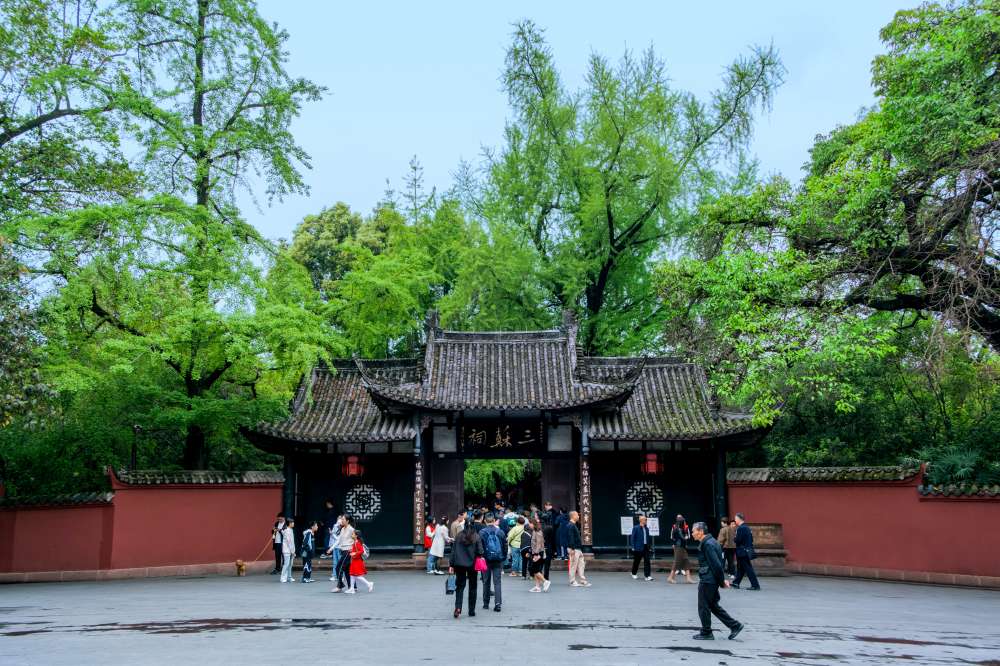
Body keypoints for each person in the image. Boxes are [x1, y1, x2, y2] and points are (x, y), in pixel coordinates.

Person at [691, 522, 744, 641]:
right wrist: (721, 580)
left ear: (700, 531)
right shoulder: (712, 542)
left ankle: (706, 632)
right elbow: (719, 564)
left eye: (693, 531)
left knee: (703, 606)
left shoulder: (708, 544)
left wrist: (722, 582)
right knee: (713, 606)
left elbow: (716, 565)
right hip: (712, 579)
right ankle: (735, 625)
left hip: (708, 580)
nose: (692, 533)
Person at [448, 521, 484, 619]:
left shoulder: (459, 536)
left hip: (459, 565)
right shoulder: (476, 536)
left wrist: (451, 564)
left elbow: (453, 551)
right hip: (472, 565)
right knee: (473, 587)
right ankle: (471, 610)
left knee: (460, 587)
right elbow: (480, 551)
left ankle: (458, 608)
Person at [480, 514, 507, 612]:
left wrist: (481, 557)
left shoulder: (482, 532)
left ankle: (486, 603)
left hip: (486, 560)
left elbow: (480, 547)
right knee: (497, 582)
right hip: (498, 560)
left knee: (486, 582)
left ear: (485, 521)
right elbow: (505, 546)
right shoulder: (500, 532)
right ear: (494, 520)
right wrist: (503, 557)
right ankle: (498, 604)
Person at [732, 513, 761, 591]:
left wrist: (734, 538)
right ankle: (736, 583)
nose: (734, 520)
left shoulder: (741, 528)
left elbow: (738, 540)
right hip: (746, 550)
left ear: (739, 519)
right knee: (741, 568)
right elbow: (751, 539)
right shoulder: (747, 528)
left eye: (735, 519)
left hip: (742, 551)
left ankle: (755, 585)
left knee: (748, 569)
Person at [668, 515, 695, 584]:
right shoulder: (679, 529)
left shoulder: (678, 528)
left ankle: (688, 578)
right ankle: (670, 577)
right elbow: (682, 538)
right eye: (684, 521)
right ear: (681, 522)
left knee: (686, 560)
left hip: (681, 546)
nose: (685, 522)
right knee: (677, 561)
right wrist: (685, 537)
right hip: (679, 547)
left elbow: (673, 537)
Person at [331, 515, 355, 592]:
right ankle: (352, 586)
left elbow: (356, 540)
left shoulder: (351, 529)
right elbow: (338, 540)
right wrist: (331, 548)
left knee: (339, 567)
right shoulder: (342, 529)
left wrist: (354, 551)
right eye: (341, 519)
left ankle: (340, 586)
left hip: (348, 551)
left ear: (347, 521)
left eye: (343, 519)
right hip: (343, 551)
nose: (341, 521)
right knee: (347, 570)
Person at [566, 510, 590, 587]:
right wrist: (572, 548)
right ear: (573, 516)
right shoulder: (570, 525)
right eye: (577, 515)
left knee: (581, 565)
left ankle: (582, 580)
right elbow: (570, 538)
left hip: (578, 548)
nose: (578, 516)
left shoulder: (573, 525)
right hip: (574, 548)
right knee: (573, 565)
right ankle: (572, 581)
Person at [527, 517, 550, 592]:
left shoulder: (537, 532)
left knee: (534, 569)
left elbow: (539, 544)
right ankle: (537, 587)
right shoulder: (535, 531)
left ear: (532, 523)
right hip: (536, 553)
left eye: (529, 523)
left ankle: (545, 581)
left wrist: (536, 554)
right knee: (535, 570)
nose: (529, 525)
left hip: (538, 553)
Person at [630, 515, 653, 581]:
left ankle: (647, 576)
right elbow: (632, 538)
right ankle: (633, 573)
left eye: (646, 520)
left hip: (646, 547)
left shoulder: (647, 528)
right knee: (636, 561)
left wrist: (649, 547)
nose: (646, 521)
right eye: (645, 520)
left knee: (647, 561)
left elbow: (648, 538)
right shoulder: (636, 528)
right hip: (638, 547)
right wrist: (633, 547)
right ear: (641, 520)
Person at [324, 515, 343, 580]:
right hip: (335, 546)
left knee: (340, 562)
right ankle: (335, 575)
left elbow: (338, 538)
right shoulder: (335, 526)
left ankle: (341, 575)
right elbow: (334, 537)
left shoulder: (344, 528)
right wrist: (332, 534)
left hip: (340, 547)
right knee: (335, 562)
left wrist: (332, 534)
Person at [279, 517, 296, 583]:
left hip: (291, 550)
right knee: (286, 564)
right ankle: (282, 577)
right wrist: (292, 551)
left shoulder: (290, 529)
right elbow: (289, 542)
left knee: (290, 564)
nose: (293, 523)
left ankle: (289, 577)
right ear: (289, 523)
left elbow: (292, 542)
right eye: (292, 522)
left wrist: (293, 550)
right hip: (287, 550)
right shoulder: (287, 530)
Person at [541, 516, 555, 581]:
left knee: (539, 563)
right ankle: (546, 577)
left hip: (540, 546)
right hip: (548, 546)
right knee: (547, 564)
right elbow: (552, 539)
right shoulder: (550, 527)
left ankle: (539, 576)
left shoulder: (540, 527)